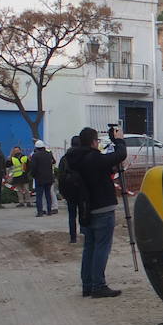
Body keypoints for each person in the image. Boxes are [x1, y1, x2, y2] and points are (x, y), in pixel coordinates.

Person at [70, 125, 126, 297]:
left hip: (85, 209)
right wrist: (119, 140)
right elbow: (120, 155)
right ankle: (98, 285)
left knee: (89, 247)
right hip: (102, 207)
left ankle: (87, 285)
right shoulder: (93, 158)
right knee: (102, 247)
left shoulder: (75, 158)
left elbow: (105, 166)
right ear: (94, 142)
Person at [57, 135, 83, 242]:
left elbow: (60, 175)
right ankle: (84, 234)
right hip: (82, 190)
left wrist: (62, 191)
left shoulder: (64, 158)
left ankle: (73, 237)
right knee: (83, 213)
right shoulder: (84, 157)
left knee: (72, 215)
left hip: (69, 190)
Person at [29, 140, 56, 216]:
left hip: (39, 178)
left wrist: (33, 175)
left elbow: (33, 167)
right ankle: (49, 211)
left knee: (39, 196)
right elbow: (53, 162)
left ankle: (40, 212)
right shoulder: (49, 154)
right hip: (49, 177)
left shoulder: (35, 155)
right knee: (48, 195)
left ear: (36, 147)